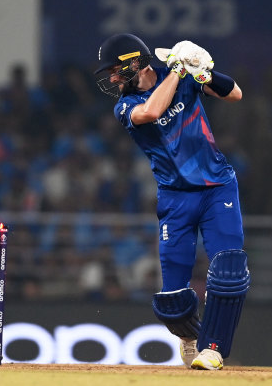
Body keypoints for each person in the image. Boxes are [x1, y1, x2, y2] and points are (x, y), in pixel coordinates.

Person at [94, 34, 250, 370]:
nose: (112, 78)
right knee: (172, 301)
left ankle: (213, 349)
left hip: (216, 187)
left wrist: (203, 72)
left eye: (116, 70)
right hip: (174, 197)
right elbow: (151, 111)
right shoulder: (124, 106)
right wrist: (179, 72)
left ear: (136, 62)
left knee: (229, 270)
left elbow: (235, 94)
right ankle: (189, 336)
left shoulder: (180, 75)